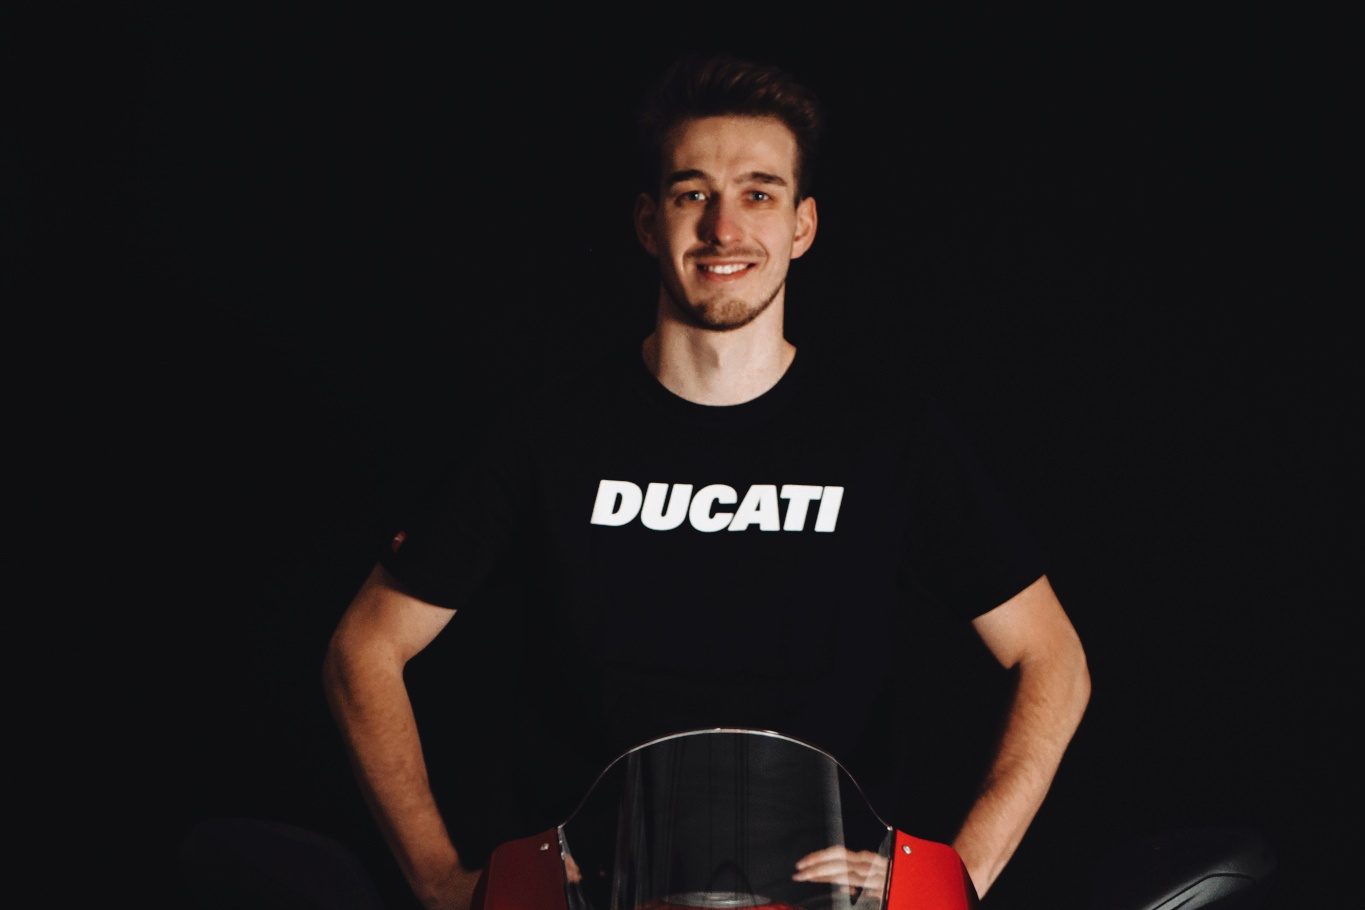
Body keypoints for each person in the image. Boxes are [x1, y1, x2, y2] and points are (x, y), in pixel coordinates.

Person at [322, 53, 1090, 910]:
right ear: (648, 222)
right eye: (693, 194)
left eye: (758, 194)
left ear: (801, 226)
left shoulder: (888, 438)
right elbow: (365, 648)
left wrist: (954, 876)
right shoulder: (546, 432)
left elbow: (1051, 657)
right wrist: (439, 881)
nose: (724, 229)